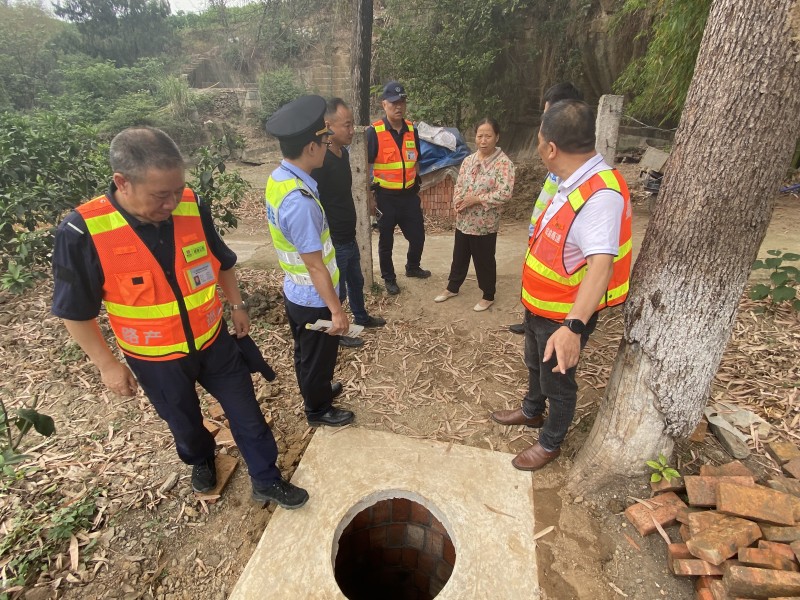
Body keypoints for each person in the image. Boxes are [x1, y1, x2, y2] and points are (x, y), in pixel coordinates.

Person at [51, 127, 308, 509]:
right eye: (160, 195)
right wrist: (107, 365)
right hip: (156, 359)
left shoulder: (191, 202)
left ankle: (266, 478)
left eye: (177, 190)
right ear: (122, 182)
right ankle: (201, 458)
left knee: (248, 414)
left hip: (213, 341)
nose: (173, 202)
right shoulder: (83, 230)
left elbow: (220, 260)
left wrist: (235, 304)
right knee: (185, 424)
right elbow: (74, 310)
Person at [491, 100, 632, 471]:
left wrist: (573, 327)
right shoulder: (574, 179)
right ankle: (531, 411)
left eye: (540, 141)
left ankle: (550, 442)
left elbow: (601, 267)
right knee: (534, 364)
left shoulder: (600, 196)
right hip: (541, 305)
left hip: (563, 315)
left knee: (558, 382)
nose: (540, 148)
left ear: (550, 148)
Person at [264, 94, 355, 428]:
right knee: (318, 356)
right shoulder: (299, 201)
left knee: (306, 352)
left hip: (296, 290)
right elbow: (316, 265)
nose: (327, 143)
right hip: (314, 296)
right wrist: (336, 310)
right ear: (311, 148)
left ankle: (315, 390)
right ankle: (318, 409)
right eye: (323, 139)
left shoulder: (280, 179)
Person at [311, 98, 386, 349]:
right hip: (334, 239)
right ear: (328, 125)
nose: (352, 130)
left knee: (357, 282)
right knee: (338, 289)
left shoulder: (343, 154)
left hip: (349, 234)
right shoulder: (321, 163)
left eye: (352, 124)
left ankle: (361, 316)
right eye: (346, 125)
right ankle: (338, 330)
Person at [509, 82, 584, 335]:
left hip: (556, 242)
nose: (544, 121)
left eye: (548, 113)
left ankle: (546, 323)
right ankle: (530, 319)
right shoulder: (557, 157)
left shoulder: (576, 164)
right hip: (541, 234)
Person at [434, 118, 515, 311]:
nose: (483, 140)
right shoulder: (468, 160)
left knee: (484, 259)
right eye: (480, 136)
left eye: (488, 136)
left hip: (485, 223)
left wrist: (477, 199)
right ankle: (452, 287)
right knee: (459, 255)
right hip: (464, 220)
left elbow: (505, 192)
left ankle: (488, 294)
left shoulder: (504, 164)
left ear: (497, 137)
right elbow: (459, 184)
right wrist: (458, 202)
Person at [367, 81, 431, 296]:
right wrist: (369, 197)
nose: (398, 106)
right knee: (386, 241)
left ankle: (412, 267)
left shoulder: (412, 129)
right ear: (384, 104)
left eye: (402, 101)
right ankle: (389, 278)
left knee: (418, 237)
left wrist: (417, 184)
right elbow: (366, 165)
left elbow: (417, 161)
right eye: (393, 102)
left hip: (409, 197)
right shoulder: (374, 132)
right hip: (385, 198)